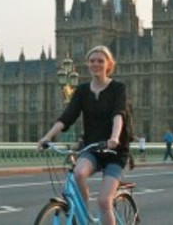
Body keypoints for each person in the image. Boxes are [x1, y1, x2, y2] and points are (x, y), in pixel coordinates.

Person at [37, 45, 130, 225]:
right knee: (78, 172)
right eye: (92, 61)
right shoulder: (82, 90)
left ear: (109, 64)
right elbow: (67, 116)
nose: (96, 64)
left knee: (104, 202)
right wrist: (47, 137)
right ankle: (83, 213)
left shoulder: (118, 88)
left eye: (100, 61)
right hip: (92, 147)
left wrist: (115, 137)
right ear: (87, 64)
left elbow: (119, 114)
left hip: (114, 152)